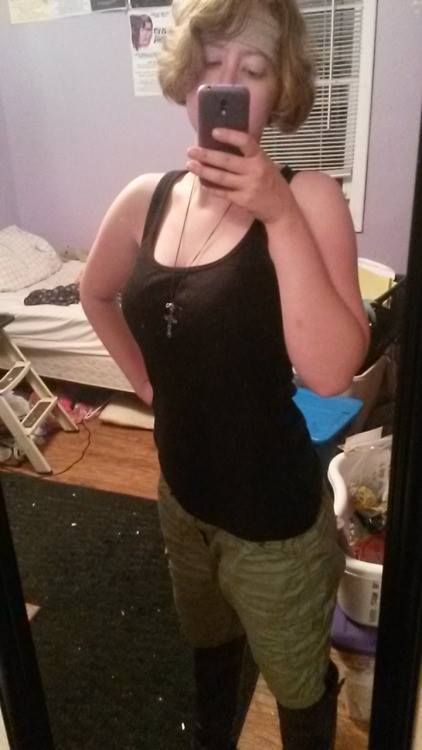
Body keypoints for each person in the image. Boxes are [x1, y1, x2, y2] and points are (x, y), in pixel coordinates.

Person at [80, 1, 370, 747]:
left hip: (274, 523)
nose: (227, 81)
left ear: (280, 89)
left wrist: (277, 214)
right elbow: (95, 292)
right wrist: (147, 386)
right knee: (208, 647)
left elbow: (332, 373)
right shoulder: (145, 199)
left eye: (254, 68)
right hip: (180, 499)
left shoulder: (308, 198)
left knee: (298, 684)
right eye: (212, 62)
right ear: (187, 77)